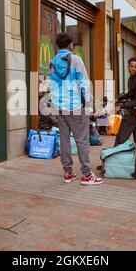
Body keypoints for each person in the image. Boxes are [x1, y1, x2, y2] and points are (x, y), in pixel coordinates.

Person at [50, 32, 103, 186]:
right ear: (70, 44)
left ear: (58, 45)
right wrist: (88, 105)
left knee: (64, 139)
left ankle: (68, 172)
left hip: (59, 106)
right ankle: (86, 175)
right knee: (82, 141)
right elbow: (84, 83)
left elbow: (53, 85)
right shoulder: (75, 60)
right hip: (75, 106)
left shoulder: (53, 62)